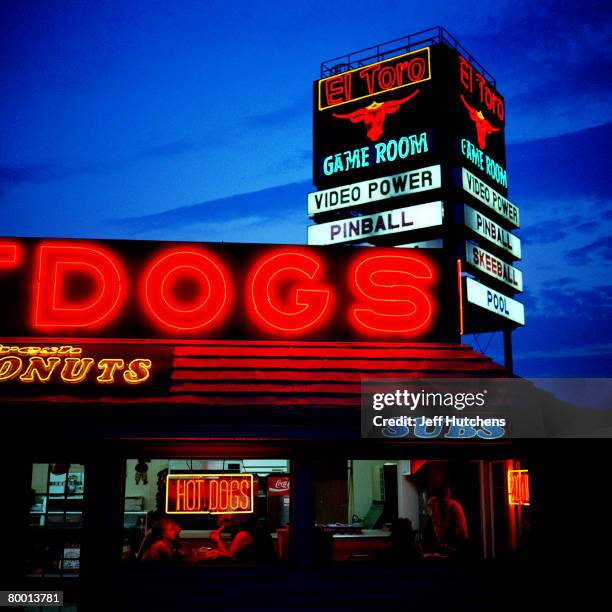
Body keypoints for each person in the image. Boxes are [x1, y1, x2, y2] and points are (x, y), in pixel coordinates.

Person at [202, 514, 274, 562]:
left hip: (255, 573)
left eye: (228, 521)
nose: (227, 525)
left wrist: (218, 541)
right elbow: (230, 555)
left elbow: (229, 559)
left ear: (239, 519)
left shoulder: (243, 534)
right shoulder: (258, 530)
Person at [426, 484, 469, 555]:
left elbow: (463, 535)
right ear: (437, 498)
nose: (443, 506)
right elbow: (430, 523)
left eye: (445, 502)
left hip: (453, 547)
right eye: (440, 502)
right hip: (437, 546)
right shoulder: (431, 503)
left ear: (450, 499)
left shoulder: (456, 508)